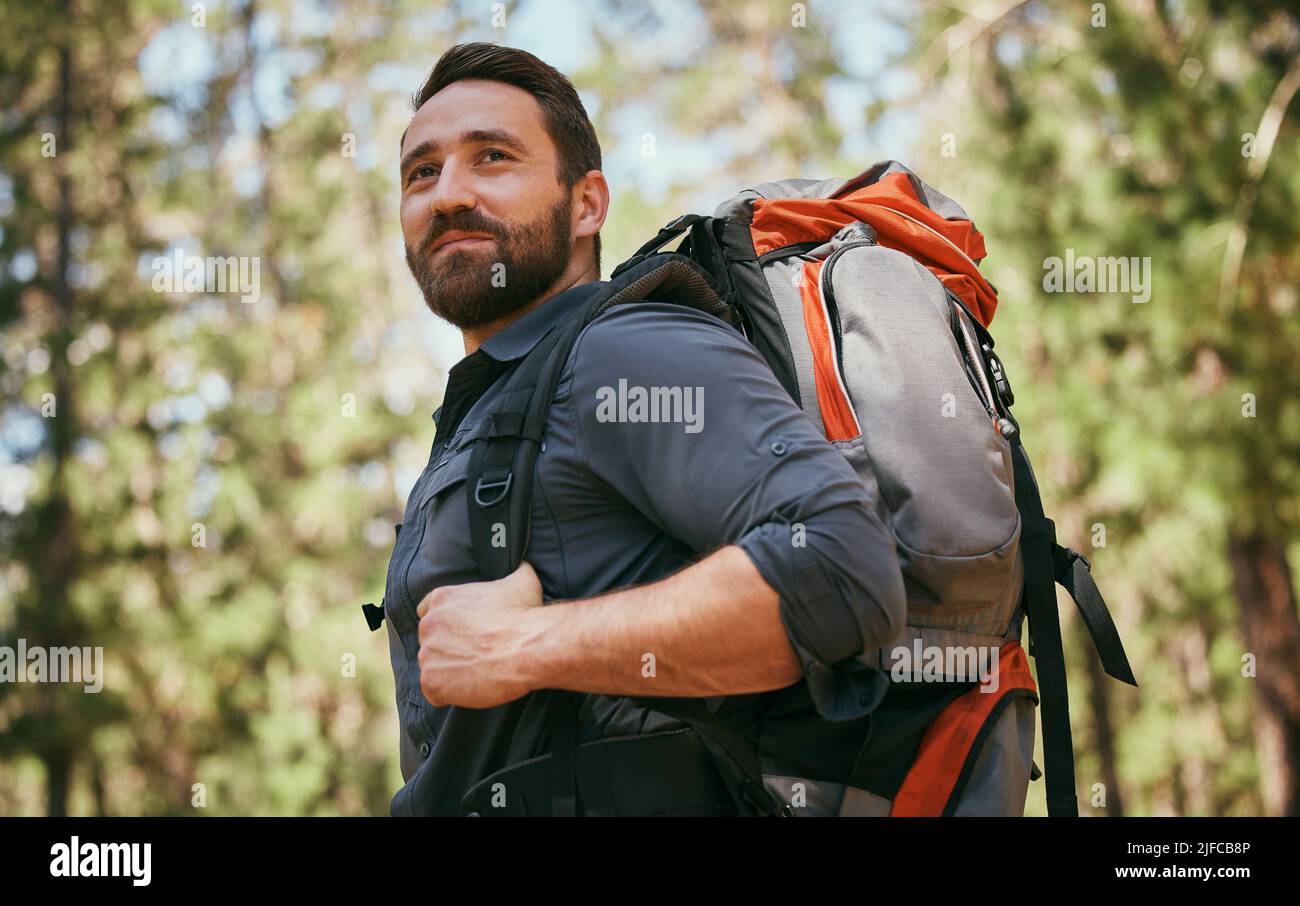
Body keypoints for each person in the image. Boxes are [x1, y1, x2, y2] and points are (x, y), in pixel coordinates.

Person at [383, 41, 907, 816]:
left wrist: (526, 645)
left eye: (492, 157)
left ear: (587, 204)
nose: (448, 194)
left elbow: (841, 565)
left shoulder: (618, 349)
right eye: (421, 172)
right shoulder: (495, 403)